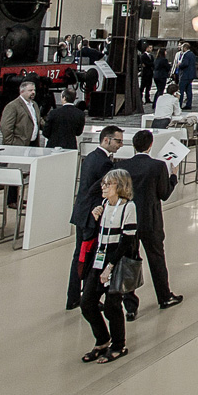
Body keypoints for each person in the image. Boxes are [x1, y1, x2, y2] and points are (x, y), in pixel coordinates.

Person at [114, 129, 183, 317]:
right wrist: (173, 176)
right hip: (150, 221)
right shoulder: (157, 166)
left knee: (129, 260)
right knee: (156, 258)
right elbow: (164, 194)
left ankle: (130, 307)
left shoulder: (123, 166)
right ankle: (164, 296)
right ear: (150, 145)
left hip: (128, 221)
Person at [78, 168, 139, 365]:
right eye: (103, 184)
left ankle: (118, 345)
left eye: (108, 184)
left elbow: (126, 242)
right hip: (99, 259)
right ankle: (103, 339)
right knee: (87, 302)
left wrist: (109, 267)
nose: (103, 187)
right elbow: (96, 236)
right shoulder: (104, 205)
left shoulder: (129, 207)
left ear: (120, 186)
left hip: (117, 261)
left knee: (112, 306)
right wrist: (95, 219)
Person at [68, 127, 119, 310]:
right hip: (92, 214)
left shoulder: (90, 156)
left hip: (81, 212)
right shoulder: (105, 164)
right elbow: (98, 190)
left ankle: (73, 296)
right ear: (106, 140)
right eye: (118, 141)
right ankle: (88, 296)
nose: (120, 145)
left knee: (79, 255)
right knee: (90, 257)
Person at [1, 79, 44, 148]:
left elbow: (38, 120)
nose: (33, 92)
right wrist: (10, 143)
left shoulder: (34, 104)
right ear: (22, 91)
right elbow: (6, 127)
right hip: (18, 145)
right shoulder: (13, 106)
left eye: (34, 90)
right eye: (30, 90)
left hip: (33, 145)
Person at [44, 87, 87, 153]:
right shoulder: (80, 114)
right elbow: (78, 132)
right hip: (70, 146)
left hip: (53, 146)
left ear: (64, 98)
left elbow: (46, 132)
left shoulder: (53, 113)